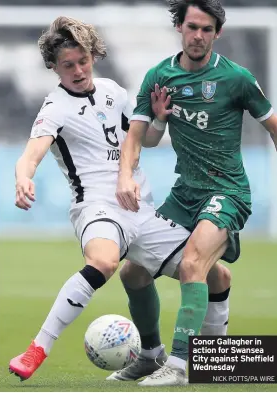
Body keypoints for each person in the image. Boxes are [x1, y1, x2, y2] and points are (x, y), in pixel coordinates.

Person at [8, 15, 231, 383]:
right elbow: (31, 154)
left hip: (140, 209)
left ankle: (205, 363)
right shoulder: (55, 108)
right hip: (96, 208)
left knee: (216, 275)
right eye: (68, 65)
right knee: (104, 260)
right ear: (53, 67)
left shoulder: (113, 91)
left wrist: (158, 120)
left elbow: (143, 141)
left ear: (93, 56)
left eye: (83, 61)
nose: (79, 70)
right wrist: (22, 178)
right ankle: (38, 348)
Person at [115, 0, 277, 387]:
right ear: (180, 28)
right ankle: (155, 357)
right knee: (133, 273)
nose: (199, 36)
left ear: (217, 33)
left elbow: (273, 125)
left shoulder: (236, 78)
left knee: (192, 265)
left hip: (227, 192)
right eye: (192, 27)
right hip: (184, 194)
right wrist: (127, 173)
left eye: (207, 29)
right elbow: (142, 138)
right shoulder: (159, 76)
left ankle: (181, 363)